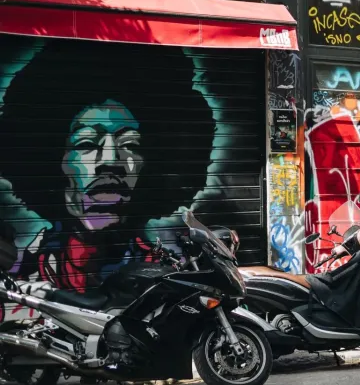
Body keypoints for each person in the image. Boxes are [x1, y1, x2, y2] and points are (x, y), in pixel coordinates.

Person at [0, 39, 215, 293]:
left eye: (130, 144)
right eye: (86, 143)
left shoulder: (166, 273)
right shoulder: (22, 272)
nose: (111, 162)